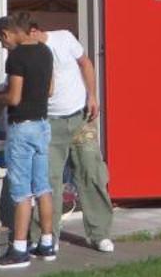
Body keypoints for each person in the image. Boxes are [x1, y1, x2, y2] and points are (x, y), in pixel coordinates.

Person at [23, 14, 115, 254]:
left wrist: (92, 95)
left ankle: (100, 234)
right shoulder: (25, 55)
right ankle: (46, 236)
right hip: (50, 123)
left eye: (24, 37)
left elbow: (85, 63)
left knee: (91, 173)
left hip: (80, 118)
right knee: (49, 180)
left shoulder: (64, 38)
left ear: (34, 31)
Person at [0, 16, 56, 268]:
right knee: (43, 187)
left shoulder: (16, 57)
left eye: (1, 41)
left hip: (22, 128)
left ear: (6, 33)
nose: (3, 46)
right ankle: (47, 243)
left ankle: (19, 249)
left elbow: (13, 98)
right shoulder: (44, 50)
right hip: (43, 125)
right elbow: (50, 89)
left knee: (21, 191)